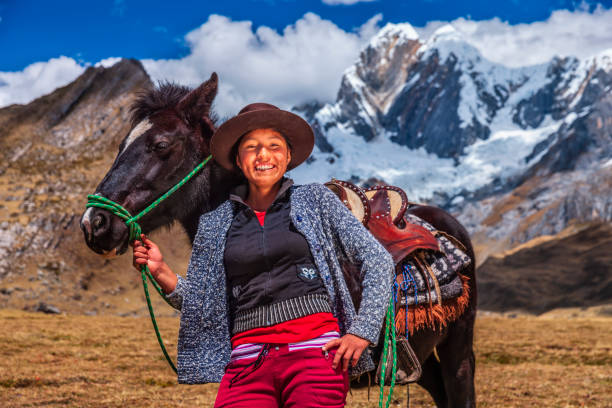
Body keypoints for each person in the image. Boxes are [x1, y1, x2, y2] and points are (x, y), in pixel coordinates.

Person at [132, 103, 394, 408]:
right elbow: (208, 305)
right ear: (238, 160)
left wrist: (362, 332)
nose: (264, 155)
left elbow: (377, 260)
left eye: (274, 146)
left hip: (316, 356)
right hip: (246, 363)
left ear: (287, 157)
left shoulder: (315, 200)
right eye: (252, 147)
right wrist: (162, 272)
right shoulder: (216, 222)